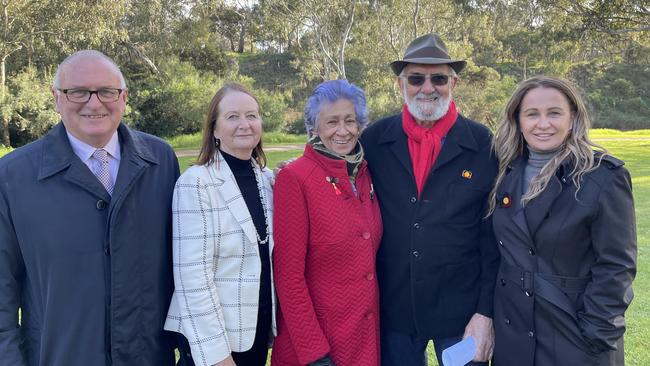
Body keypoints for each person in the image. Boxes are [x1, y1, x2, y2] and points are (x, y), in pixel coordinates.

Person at [0, 50, 180, 365]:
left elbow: (185, 265)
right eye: (78, 92)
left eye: (107, 91)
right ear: (56, 98)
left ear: (124, 97)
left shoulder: (161, 161)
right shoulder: (12, 177)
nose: (94, 103)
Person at [359, 33, 499, 365]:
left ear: (454, 82)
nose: (427, 87)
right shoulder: (375, 140)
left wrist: (485, 313)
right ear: (400, 83)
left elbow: (494, 236)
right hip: (394, 312)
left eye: (438, 78)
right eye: (416, 78)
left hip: (462, 313)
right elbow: (334, 173)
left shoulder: (483, 144)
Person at [488, 76, 637, 365]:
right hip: (515, 337)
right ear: (518, 120)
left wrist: (597, 333)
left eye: (554, 113)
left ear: (573, 118)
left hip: (573, 338)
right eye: (532, 114)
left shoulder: (603, 177)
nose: (543, 124)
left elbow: (617, 265)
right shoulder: (506, 173)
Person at [271, 80, 382, 366]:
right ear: (314, 128)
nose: (342, 131)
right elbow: (288, 277)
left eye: (350, 121)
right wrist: (314, 353)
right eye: (331, 122)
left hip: (364, 339)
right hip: (318, 347)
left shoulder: (366, 174)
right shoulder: (295, 178)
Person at [165, 83, 276, 366]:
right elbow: (193, 278)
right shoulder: (196, 184)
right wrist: (218, 356)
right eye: (233, 116)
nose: (245, 124)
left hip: (255, 332)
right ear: (214, 129)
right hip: (215, 344)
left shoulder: (267, 180)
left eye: (252, 115)